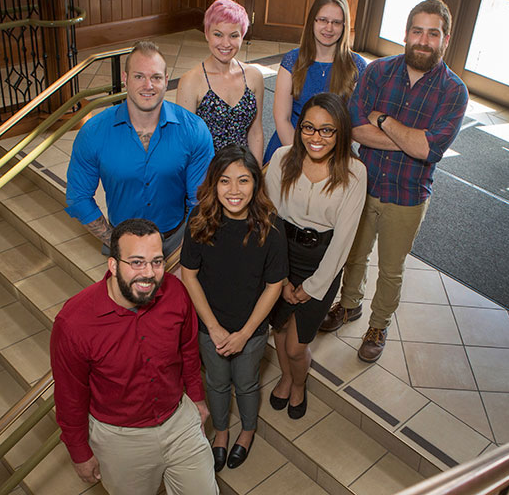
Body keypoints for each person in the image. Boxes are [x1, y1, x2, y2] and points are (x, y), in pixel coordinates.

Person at [321, 0, 469, 363]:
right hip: (364, 185)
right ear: (406, 34)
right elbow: (355, 129)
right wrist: (410, 138)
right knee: (353, 255)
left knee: (390, 268)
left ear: (445, 40)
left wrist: (383, 121)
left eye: (432, 34)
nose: (423, 40)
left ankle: (378, 325)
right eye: (417, 31)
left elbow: (427, 149)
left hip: (408, 195)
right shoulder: (377, 72)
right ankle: (349, 305)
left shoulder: (454, 92)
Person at [50, 218, 218, 495]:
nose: (149, 273)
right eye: (137, 262)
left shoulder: (175, 294)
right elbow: (69, 395)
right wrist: (79, 450)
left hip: (179, 420)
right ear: (114, 265)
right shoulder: (74, 323)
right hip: (120, 440)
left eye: (157, 261)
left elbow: (188, 350)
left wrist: (197, 398)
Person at [180, 145, 287, 471]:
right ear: (213, 184)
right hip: (211, 327)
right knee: (215, 381)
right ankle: (223, 433)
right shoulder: (200, 220)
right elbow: (189, 275)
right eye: (225, 181)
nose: (234, 190)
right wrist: (213, 328)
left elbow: (274, 286)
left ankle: (249, 430)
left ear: (256, 183)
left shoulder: (271, 227)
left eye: (243, 181)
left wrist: (244, 333)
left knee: (246, 382)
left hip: (250, 331)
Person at [265, 92, 366, 419]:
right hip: (281, 255)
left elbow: (343, 242)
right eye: (309, 128)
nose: (316, 137)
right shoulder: (282, 159)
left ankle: (298, 384)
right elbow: (270, 222)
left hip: (321, 261)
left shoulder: (354, 173)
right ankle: (285, 376)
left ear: (340, 133)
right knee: (279, 330)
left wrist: (311, 287)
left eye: (327, 130)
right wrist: (279, 278)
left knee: (297, 345)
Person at [65, 41, 214, 258]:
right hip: (121, 241)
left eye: (156, 77)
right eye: (139, 76)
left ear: (165, 81)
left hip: (177, 240)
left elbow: (199, 200)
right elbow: (78, 198)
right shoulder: (94, 132)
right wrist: (114, 242)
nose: (148, 85)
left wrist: (186, 248)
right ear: (125, 79)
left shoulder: (193, 130)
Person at [264, 0, 366, 164]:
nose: (329, 28)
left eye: (336, 22)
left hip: (334, 151)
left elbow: (356, 124)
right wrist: (300, 158)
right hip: (291, 144)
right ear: (312, 21)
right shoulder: (292, 60)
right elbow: (282, 118)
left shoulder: (356, 66)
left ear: (344, 26)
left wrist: (326, 158)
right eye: (323, 20)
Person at [177, 0, 265, 163]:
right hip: (206, 170)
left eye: (233, 36)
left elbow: (255, 132)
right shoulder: (190, 81)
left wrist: (256, 176)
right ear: (206, 33)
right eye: (218, 34)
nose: (226, 43)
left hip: (243, 169)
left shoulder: (254, 77)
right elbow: (185, 142)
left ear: (242, 36)